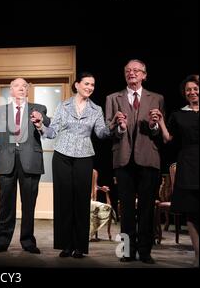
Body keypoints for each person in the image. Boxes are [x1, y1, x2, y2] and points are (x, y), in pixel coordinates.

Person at [33, 72, 113, 258]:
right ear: (77, 85)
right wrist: (40, 126)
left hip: (84, 156)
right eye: (86, 83)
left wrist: (114, 126)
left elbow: (101, 133)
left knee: (81, 202)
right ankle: (65, 245)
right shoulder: (63, 105)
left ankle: (80, 247)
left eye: (92, 85)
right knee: (63, 201)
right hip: (62, 155)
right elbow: (53, 132)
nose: (90, 87)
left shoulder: (96, 109)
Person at [0, 77, 49, 254]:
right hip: (6, 160)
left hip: (30, 160)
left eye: (24, 86)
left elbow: (47, 128)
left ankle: (28, 241)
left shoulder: (38, 109)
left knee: (29, 203)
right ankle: (2, 240)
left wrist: (40, 122)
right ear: (10, 91)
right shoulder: (0, 110)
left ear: (27, 91)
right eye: (17, 86)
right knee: (5, 203)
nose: (21, 88)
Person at [105, 59, 164, 264]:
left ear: (144, 75)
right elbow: (108, 131)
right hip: (123, 158)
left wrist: (155, 125)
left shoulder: (157, 98)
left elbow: (158, 133)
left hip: (148, 159)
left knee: (147, 208)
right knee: (126, 209)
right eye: (128, 70)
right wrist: (120, 127)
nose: (132, 73)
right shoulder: (113, 98)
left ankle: (145, 252)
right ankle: (127, 252)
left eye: (136, 70)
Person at [152, 74, 199, 267]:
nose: (192, 92)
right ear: (184, 93)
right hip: (188, 164)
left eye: (195, 88)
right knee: (192, 212)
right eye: (188, 90)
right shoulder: (179, 114)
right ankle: (198, 255)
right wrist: (162, 121)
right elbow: (168, 139)